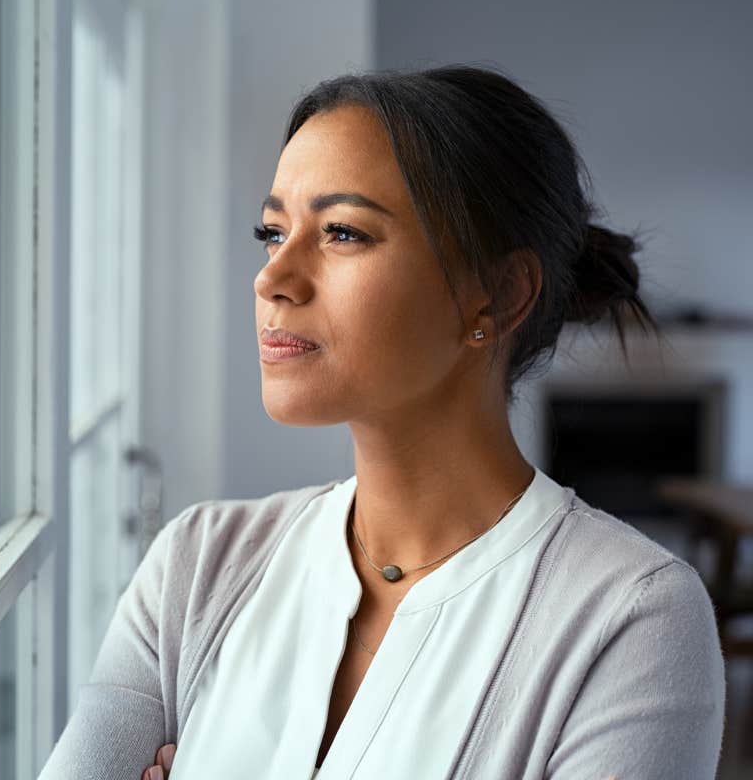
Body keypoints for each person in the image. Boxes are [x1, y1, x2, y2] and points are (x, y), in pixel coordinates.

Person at [39, 64, 725, 780]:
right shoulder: (198, 565)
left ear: (497, 295)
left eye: (342, 233)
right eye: (272, 232)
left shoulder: (632, 621)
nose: (272, 278)